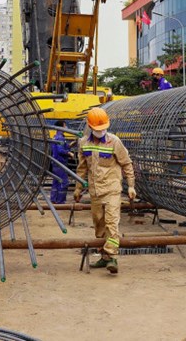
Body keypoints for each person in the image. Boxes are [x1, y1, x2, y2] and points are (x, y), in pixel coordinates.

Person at [73, 108, 136, 274]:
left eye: (103, 128)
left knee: (112, 222)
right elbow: (82, 168)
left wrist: (130, 185)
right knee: (99, 225)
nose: (101, 131)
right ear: (90, 127)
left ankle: (112, 256)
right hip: (95, 192)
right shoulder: (84, 143)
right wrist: (78, 188)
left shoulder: (114, 142)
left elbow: (127, 164)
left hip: (112, 189)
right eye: (98, 129)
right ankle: (105, 256)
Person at [50, 120, 72, 204]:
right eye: (65, 126)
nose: (66, 127)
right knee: (63, 181)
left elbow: (62, 147)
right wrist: (69, 153)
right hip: (60, 163)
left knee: (56, 181)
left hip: (55, 162)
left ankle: (54, 199)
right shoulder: (60, 138)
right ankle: (60, 201)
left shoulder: (56, 137)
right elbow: (60, 150)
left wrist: (70, 145)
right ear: (62, 127)